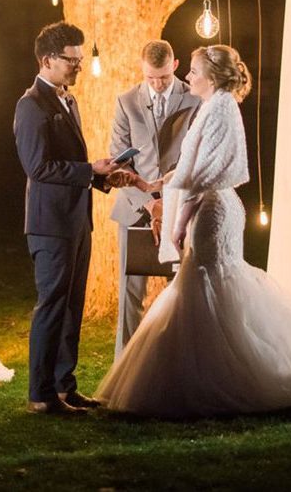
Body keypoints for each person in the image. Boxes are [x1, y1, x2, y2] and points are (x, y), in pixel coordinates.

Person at [97, 45, 291, 418]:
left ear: (211, 76)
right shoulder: (212, 106)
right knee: (206, 285)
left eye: (193, 71)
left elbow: (207, 174)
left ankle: (226, 377)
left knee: (210, 283)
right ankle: (210, 374)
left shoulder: (221, 108)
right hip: (208, 206)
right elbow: (191, 167)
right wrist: (149, 186)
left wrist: (179, 222)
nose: (188, 78)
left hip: (212, 210)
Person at [14, 21, 116, 415]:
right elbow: (38, 168)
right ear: (47, 60)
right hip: (49, 224)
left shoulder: (68, 101)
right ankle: (41, 395)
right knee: (53, 305)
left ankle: (64, 386)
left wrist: (103, 175)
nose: (77, 66)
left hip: (76, 220)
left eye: (78, 59)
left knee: (73, 306)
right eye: (70, 60)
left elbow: (73, 164)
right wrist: (91, 170)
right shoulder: (30, 105)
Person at [110, 40, 200, 358]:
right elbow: (118, 162)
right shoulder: (126, 102)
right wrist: (150, 203)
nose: (157, 84)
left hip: (180, 209)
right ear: (142, 68)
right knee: (129, 296)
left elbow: (195, 156)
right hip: (135, 208)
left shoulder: (194, 98)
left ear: (174, 65)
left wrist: (170, 201)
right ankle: (124, 365)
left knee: (181, 291)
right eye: (151, 78)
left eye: (162, 77)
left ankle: (177, 359)